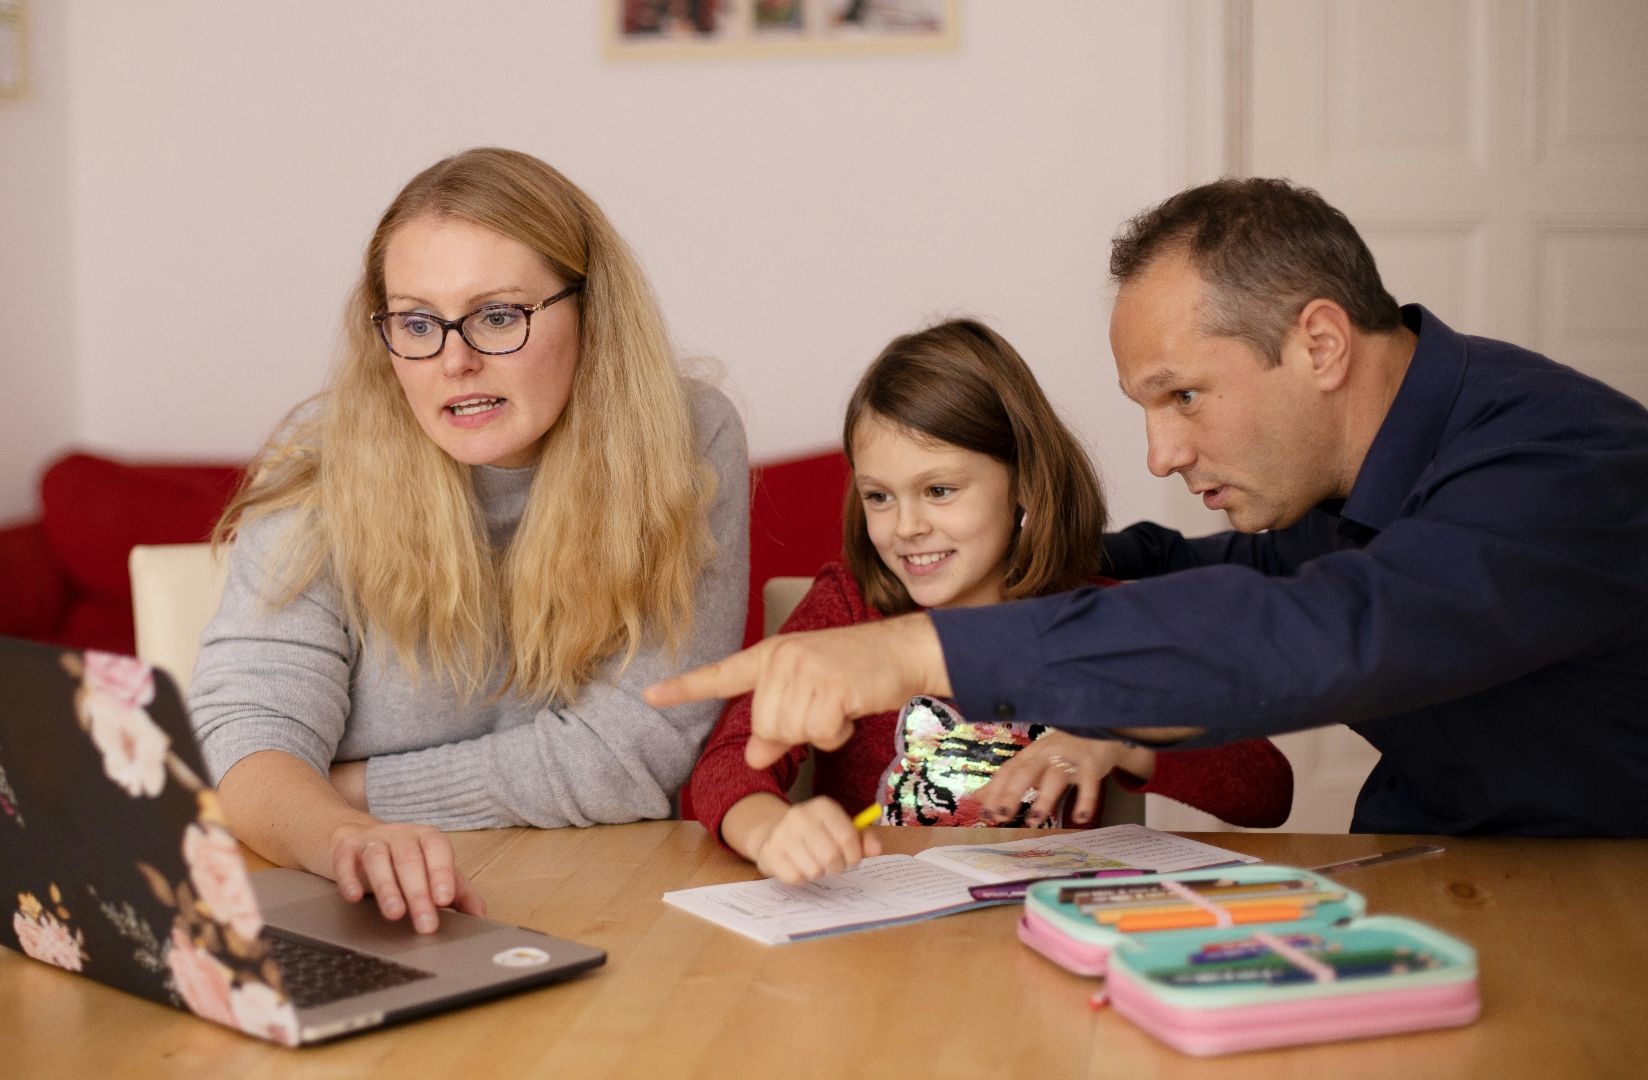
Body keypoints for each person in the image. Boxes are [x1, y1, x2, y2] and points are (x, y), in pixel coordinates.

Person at [650, 177, 1648, 838]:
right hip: (1435, 869)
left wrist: (920, 651)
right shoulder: (1333, 485)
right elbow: (1190, 575)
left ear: (1321, 345)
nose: (1163, 454)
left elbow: (1332, 629)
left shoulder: (1560, 466)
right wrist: (1005, 568)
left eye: (1184, 396)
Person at [191, 148, 749, 932]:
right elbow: (245, 739)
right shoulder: (324, 462)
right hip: (355, 906)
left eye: (497, 316)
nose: (454, 360)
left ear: (592, 312)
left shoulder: (686, 437)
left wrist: (343, 788)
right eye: (417, 322)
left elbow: (637, 756)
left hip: (605, 904)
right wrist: (343, 834)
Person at [684, 320, 1292, 884]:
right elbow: (727, 763)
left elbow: (1267, 788)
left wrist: (1124, 737)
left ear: (1024, 481)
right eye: (879, 496)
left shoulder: (1097, 622)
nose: (907, 526)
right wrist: (772, 830)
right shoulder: (847, 607)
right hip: (879, 950)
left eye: (939, 489)